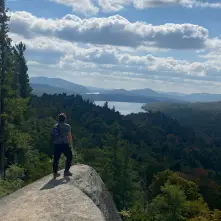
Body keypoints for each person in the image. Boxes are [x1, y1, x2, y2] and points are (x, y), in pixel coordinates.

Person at [52, 113, 73, 179]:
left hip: (56, 144)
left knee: (56, 159)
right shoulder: (67, 126)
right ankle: (66, 171)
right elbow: (69, 136)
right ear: (65, 119)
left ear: (59, 119)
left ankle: (55, 173)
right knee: (69, 156)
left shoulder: (56, 125)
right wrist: (70, 143)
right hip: (64, 144)